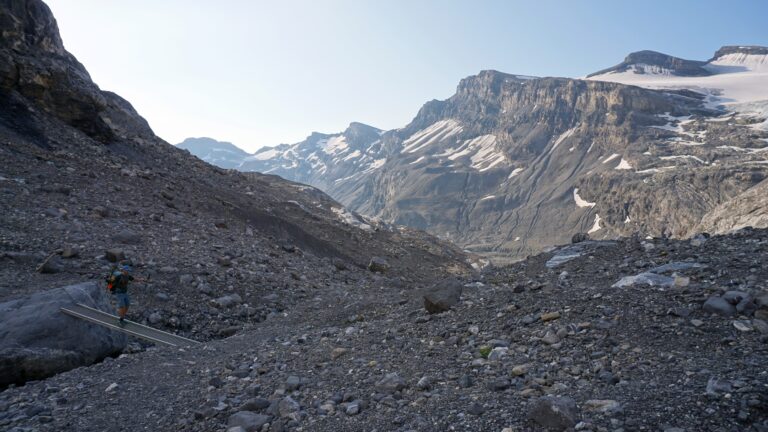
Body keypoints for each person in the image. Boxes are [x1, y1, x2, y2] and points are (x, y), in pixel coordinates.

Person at [109, 261, 146, 325]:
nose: (128, 271)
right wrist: (110, 289)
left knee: (127, 305)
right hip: (119, 293)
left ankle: (122, 318)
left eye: (129, 270)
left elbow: (134, 279)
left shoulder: (127, 275)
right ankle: (120, 320)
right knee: (122, 306)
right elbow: (111, 281)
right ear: (123, 270)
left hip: (124, 293)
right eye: (127, 270)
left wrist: (143, 279)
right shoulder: (118, 275)